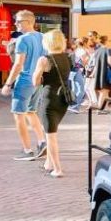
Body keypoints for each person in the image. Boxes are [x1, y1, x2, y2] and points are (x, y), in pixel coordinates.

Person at [1, 11, 48, 161]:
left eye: (19, 21)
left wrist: (8, 83)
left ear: (29, 22)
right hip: (38, 81)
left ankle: (27, 150)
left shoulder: (22, 39)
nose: (16, 24)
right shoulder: (43, 38)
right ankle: (42, 142)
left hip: (25, 81)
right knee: (31, 111)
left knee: (18, 115)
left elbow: (18, 64)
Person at [32, 30, 72, 178]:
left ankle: (58, 169)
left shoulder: (44, 59)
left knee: (51, 135)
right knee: (52, 129)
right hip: (63, 99)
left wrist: (39, 74)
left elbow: (35, 82)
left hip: (49, 99)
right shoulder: (68, 57)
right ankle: (48, 163)